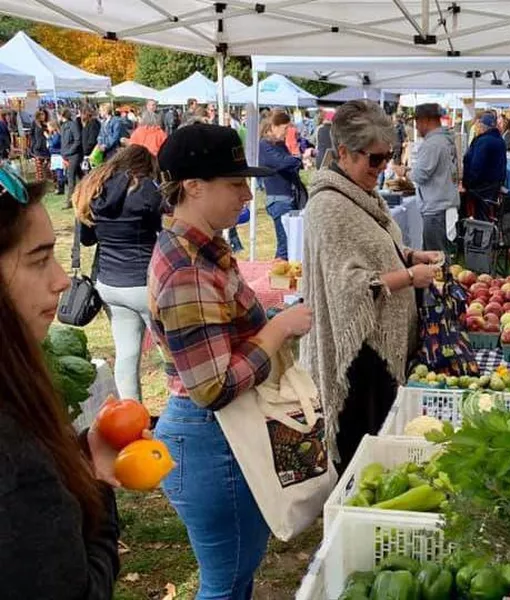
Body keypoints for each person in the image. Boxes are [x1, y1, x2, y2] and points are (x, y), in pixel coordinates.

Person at [150, 123, 312, 599]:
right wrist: (278, 330)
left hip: (218, 437)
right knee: (224, 586)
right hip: (211, 439)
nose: (247, 193)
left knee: (235, 580)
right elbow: (213, 387)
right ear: (193, 187)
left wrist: (273, 319)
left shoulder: (201, 250)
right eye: (235, 183)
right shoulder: (186, 269)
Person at [0, 165, 121, 598]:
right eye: (38, 259)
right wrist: (101, 485)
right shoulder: (14, 458)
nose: (62, 279)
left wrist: (74, 458)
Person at [301, 100, 440, 472]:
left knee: (379, 445)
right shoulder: (329, 206)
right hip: (356, 353)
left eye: (388, 157)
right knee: (359, 453)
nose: (381, 169)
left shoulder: (361, 194)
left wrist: (408, 256)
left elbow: (375, 249)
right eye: (374, 160)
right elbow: (348, 285)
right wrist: (409, 278)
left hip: (378, 349)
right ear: (343, 152)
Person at [73, 145, 162, 401]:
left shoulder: (93, 188)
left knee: (126, 354)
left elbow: (87, 239)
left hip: (109, 284)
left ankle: (132, 420)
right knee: (172, 355)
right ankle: (183, 414)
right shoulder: (146, 189)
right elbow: (165, 229)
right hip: (145, 283)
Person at [398, 103, 459, 253]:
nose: (416, 126)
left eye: (417, 122)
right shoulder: (446, 140)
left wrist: (404, 172)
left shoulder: (433, 144)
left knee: (436, 259)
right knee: (439, 256)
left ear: (427, 120)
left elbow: (420, 176)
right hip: (443, 205)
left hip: (436, 208)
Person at [259, 111, 302, 261]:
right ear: (273, 127)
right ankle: (278, 278)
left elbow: (292, 164)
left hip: (289, 198)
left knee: (293, 245)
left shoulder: (279, 145)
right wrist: (297, 158)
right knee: (285, 246)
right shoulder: (264, 145)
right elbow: (283, 163)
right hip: (279, 200)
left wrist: (294, 160)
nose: (286, 133)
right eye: (285, 128)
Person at [462, 111, 506, 220]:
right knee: (489, 213)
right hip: (494, 185)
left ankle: (479, 235)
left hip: (481, 187)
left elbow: (476, 166)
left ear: (482, 126)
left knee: (480, 216)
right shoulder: (500, 140)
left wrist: (467, 183)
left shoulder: (483, 141)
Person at [60, 107, 83, 209]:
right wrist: (63, 154)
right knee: (80, 176)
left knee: (71, 177)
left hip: (74, 155)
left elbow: (78, 140)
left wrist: (69, 151)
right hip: (67, 155)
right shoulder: (63, 126)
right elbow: (63, 142)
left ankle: (69, 201)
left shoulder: (73, 125)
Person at [31, 108, 50, 182]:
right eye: (41, 114)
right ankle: (40, 182)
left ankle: (50, 183)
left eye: (44, 114)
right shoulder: (34, 123)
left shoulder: (47, 123)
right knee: (39, 169)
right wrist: (34, 145)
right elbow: (32, 135)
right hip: (38, 149)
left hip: (47, 149)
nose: (43, 116)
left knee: (48, 168)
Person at [47, 119, 65, 195]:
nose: (48, 128)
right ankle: (58, 187)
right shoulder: (53, 135)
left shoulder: (57, 135)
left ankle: (61, 188)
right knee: (56, 172)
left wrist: (48, 138)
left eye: (49, 127)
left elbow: (53, 144)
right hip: (54, 155)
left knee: (59, 172)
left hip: (58, 155)